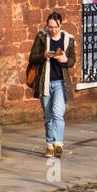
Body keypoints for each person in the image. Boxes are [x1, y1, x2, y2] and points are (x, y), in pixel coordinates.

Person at [28, 11, 79, 157]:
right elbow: (32, 58)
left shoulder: (68, 39)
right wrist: (43, 56)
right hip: (45, 82)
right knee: (48, 116)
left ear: (60, 25)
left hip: (60, 83)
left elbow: (72, 61)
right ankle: (49, 145)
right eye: (50, 27)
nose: (52, 30)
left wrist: (65, 60)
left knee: (58, 114)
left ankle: (58, 143)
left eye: (55, 27)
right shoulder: (41, 37)